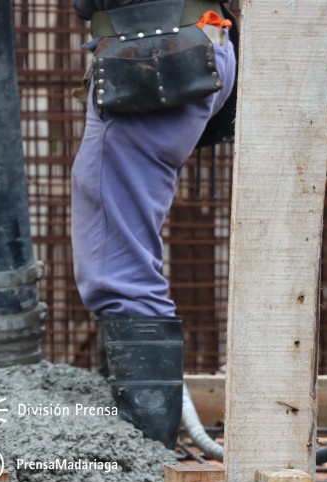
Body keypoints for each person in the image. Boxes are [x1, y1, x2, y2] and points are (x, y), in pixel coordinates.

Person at [71, 0, 237, 448]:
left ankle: (141, 453)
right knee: (117, 236)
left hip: (157, 55)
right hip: (177, 47)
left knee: (116, 264)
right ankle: (129, 431)